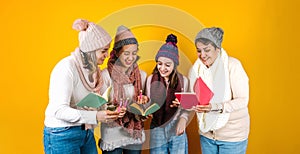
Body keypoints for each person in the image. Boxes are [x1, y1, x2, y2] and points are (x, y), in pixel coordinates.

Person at [43, 19, 125, 154]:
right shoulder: (66, 68)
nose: (107, 55)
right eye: (104, 51)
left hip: (85, 131)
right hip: (62, 134)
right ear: (90, 50)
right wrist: (97, 116)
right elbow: (58, 110)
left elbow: (92, 103)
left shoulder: (94, 71)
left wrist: (112, 111)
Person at [189, 27, 250, 154]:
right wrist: (185, 103)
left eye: (207, 50)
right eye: (199, 50)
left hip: (232, 136)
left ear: (218, 49)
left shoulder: (233, 66)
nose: (202, 55)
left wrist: (215, 107)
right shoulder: (197, 69)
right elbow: (197, 99)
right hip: (206, 134)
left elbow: (242, 101)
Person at [99, 25, 148, 154]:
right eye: (126, 53)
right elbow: (101, 105)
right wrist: (113, 111)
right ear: (116, 52)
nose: (131, 58)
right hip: (112, 134)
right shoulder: (105, 75)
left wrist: (144, 102)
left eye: (134, 53)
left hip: (134, 134)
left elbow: (146, 105)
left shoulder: (141, 76)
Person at [146, 34, 190, 154]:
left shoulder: (184, 81)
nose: (162, 68)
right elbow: (147, 104)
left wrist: (183, 119)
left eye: (167, 65)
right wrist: (146, 110)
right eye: (159, 63)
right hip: (157, 128)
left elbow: (188, 107)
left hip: (176, 125)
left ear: (174, 65)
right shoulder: (150, 80)